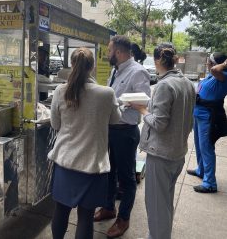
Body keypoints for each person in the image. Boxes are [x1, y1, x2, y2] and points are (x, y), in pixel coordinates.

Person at [48, 47, 121, 239]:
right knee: (86, 217)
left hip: (65, 162)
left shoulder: (60, 90)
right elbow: (115, 120)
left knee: (60, 211)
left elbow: (55, 124)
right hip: (93, 166)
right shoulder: (106, 93)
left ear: (72, 65)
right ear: (93, 67)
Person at [131, 43, 196, 239]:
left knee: (157, 206)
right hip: (177, 153)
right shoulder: (186, 83)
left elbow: (158, 123)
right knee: (165, 202)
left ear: (158, 60)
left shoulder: (164, 85)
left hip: (161, 155)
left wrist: (141, 109)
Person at [94, 35, 150, 238]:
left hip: (125, 132)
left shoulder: (138, 72)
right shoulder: (115, 71)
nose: (107, 54)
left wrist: (121, 102)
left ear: (118, 52)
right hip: (110, 129)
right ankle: (108, 207)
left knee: (126, 179)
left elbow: (144, 103)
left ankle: (123, 219)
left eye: (109, 51)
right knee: (109, 171)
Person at [187, 52, 227, 193]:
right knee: (199, 145)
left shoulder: (222, 76)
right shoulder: (211, 76)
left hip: (208, 117)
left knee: (207, 148)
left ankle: (210, 183)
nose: (207, 64)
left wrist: (225, 64)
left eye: (210, 61)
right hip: (198, 115)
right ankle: (201, 170)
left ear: (216, 64)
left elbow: (215, 70)